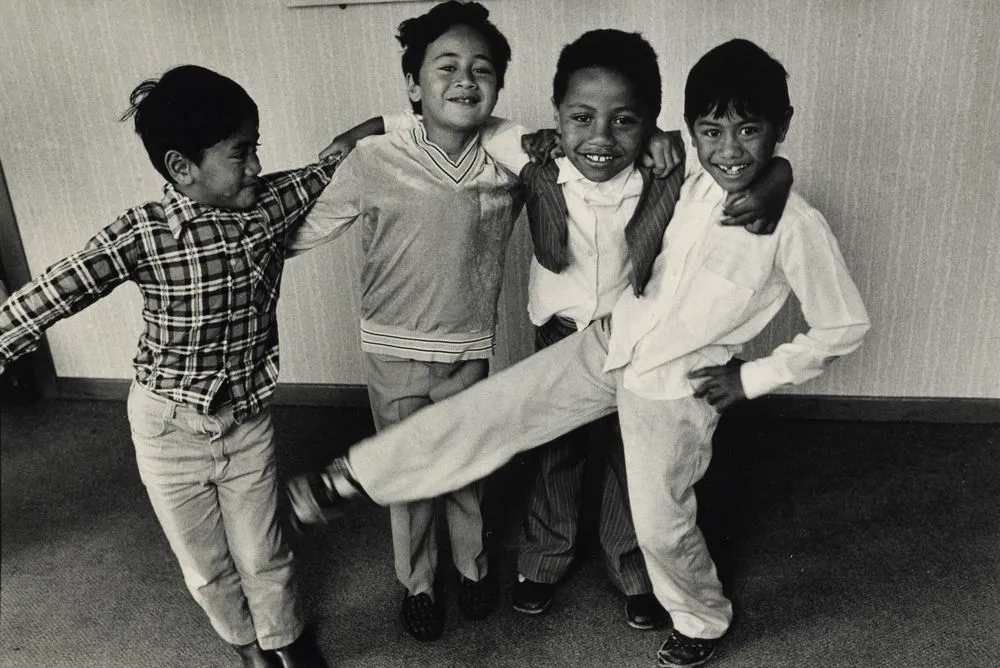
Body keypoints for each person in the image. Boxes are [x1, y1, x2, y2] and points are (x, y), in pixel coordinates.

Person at [287, 38, 870, 667]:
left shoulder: (794, 224)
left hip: (673, 389)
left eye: (751, 132)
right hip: (609, 339)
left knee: (658, 523)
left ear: (780, 129)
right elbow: (481, 123)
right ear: (692, 132)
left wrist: (752, 377)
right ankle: (355, 475)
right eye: (711, 131)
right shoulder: (690, 174)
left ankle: (702, 619)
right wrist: (376, 126)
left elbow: (844, 326)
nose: (730, 150)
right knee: (496, 409)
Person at [0, 65, 334, 668]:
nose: (257, 165)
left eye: (256, 147)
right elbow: (57, 288)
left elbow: (331, 166)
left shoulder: (268, 207)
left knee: (263, 552)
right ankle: (247, 645)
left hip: (247, 424)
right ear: (182, 168)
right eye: (241, 153)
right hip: (167, 429)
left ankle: (284, 639)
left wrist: (386, 128)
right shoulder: (145, 233)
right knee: (205, 563)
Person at [283, 1, 521, 643]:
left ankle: (473, 569)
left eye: (482, 69)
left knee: (465, 464)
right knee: (405, 471)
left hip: (467, 348)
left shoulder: (510, 164)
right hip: (391, 351)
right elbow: (307, 230)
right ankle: (418, 584)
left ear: (498, 85)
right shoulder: (375, 158)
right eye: (445, 67)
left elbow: (581, 176)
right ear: (413, 84)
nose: (465, 80)